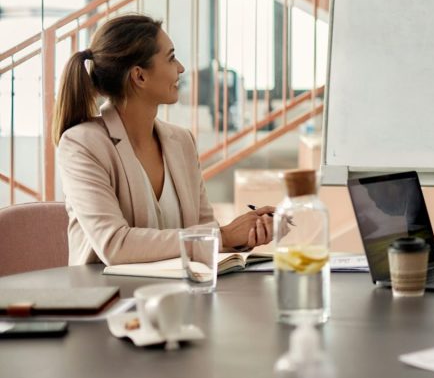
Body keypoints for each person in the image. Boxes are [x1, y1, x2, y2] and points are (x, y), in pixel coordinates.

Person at [54, 14, 275, 266]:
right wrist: (221, 235)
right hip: (111, 299)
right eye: (171, 58)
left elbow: (203, 230)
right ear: (140, 76)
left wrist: (241, 236)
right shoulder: (82, 144)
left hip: (181, 295)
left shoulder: (181, 141)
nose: (180, 68)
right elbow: (115, 245)